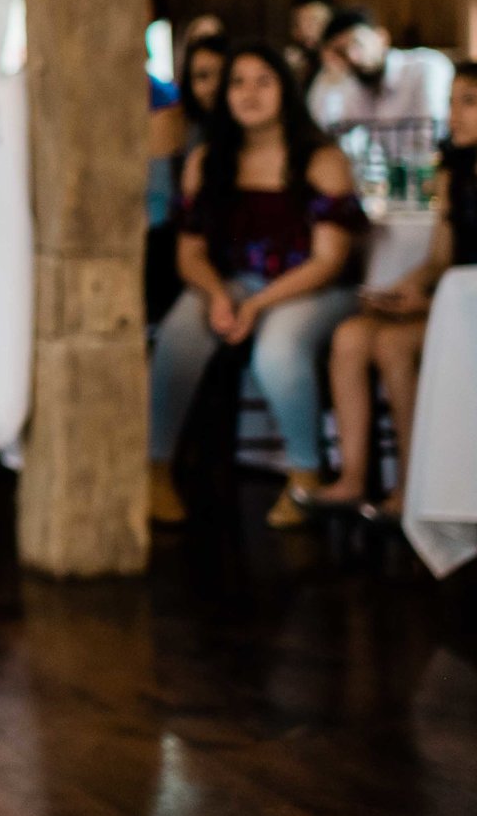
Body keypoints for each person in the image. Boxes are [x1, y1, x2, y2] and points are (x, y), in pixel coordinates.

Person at [304, 64, 477, 521]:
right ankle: (353, 478)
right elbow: (439, 259)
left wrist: (434, 302)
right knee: (352, 336)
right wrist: (398, 291)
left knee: (394, 343)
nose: (455, 113)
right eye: (452, 101)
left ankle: (414, 489)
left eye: (470, 101)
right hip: (454, 296)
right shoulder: (454, 175)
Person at [148, 44, 367, 531]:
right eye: (238, 82)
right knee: (178, 337)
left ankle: (305, 474)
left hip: (311, 288)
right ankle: (156, 469)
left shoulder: (320, 158)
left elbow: (330, 260)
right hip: (231, 283)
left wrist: (259, 304)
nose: (249, 94)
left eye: (263, 81)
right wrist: (219, 295)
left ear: (285, 90)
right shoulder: (207, 160)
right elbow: (190, 254)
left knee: (278, 347)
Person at [147, 33, 230, 317]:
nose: (215, 86)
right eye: (203, 76)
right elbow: (159, 208)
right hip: (177, 245)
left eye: (225, 74)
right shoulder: (174, 125)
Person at [308, 6, 454, 136]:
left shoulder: (425, 68)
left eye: (358, 44)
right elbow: (324, 130)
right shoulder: (350, 84)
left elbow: (435, 135)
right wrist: (330, 79)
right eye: (341, 52)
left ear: (381, 38)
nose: (352, 57)